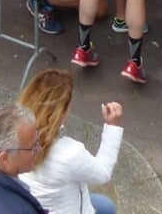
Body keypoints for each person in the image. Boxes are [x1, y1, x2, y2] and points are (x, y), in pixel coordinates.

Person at [17, 70, 124, 214]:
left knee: (106, 205)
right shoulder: (70, 154)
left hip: (40, 205)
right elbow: (103, 173)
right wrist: (113, 126)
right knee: (107, 207)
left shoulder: (12, 133)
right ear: (62, 113)